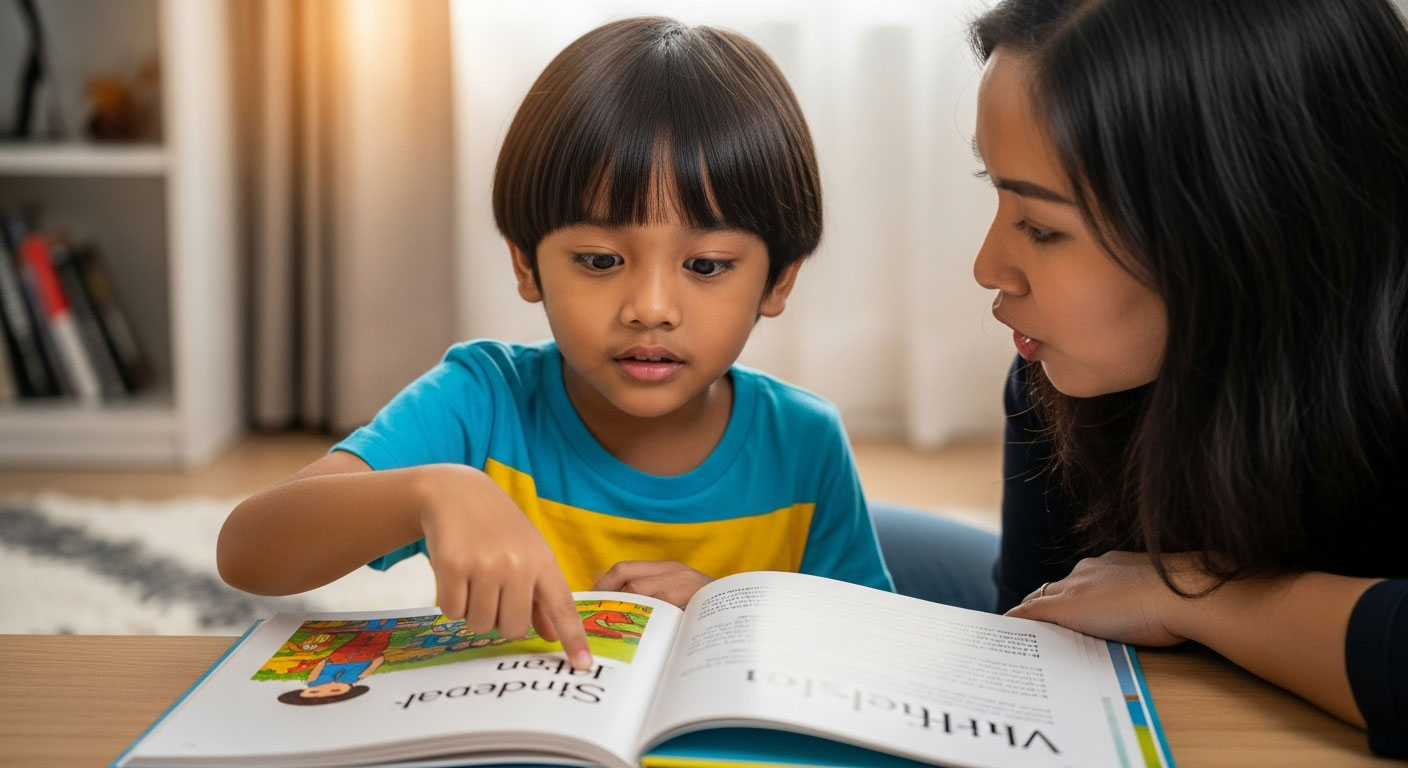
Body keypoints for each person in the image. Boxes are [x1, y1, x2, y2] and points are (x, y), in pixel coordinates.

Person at [217, 16, 893, 673]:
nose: (650, 309)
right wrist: (430, 492)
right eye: (600, 261)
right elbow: (248, 551)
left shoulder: (804, 444)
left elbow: (867, 656)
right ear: (525, 266)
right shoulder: (480, 404)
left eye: (707, 266)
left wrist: (731, 614)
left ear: (778, 281)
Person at [963, 0, 1408, 756]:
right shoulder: (1061, 382)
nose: (986, 268)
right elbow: (1041, 656)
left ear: (1242, 224)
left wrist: (1199, 592)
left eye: (1042, 227)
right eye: (994, 192)